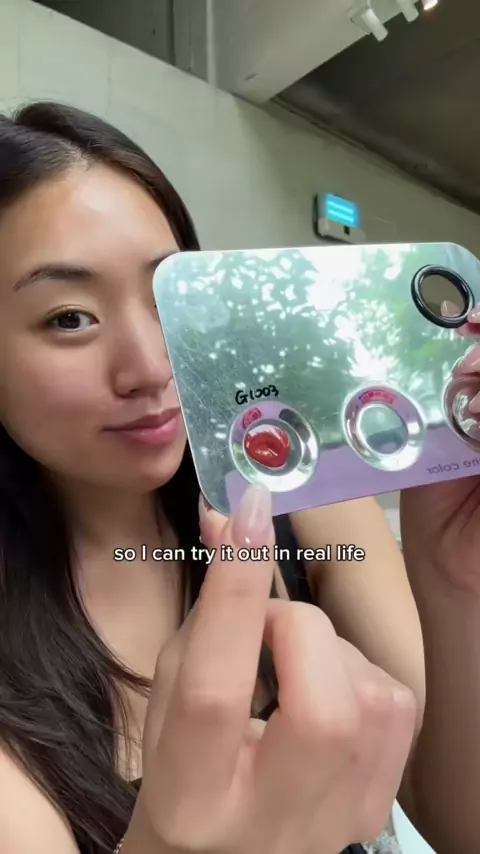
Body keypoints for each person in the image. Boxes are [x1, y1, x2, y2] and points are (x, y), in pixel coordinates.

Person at [0, 99, 462, 854]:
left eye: (167, 297)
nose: (152, 368)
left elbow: (460, 817)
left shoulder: (302, 503)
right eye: (69, 318)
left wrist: (452, 578)